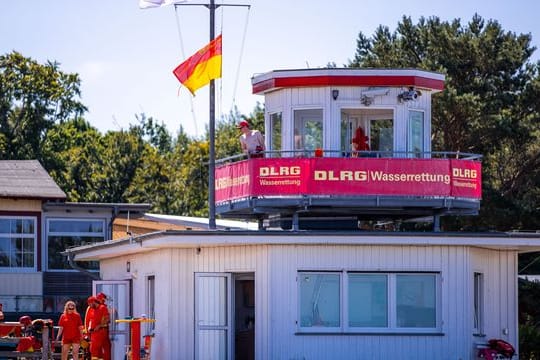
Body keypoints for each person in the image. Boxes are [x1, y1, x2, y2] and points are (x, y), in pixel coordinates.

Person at [96, 292, 111, 360]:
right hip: (102, 330)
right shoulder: (102, 307)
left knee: (98, 349)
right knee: (106, 347)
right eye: (103, 299)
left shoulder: (93, 308)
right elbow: (107, 319)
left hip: (97, 331)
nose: (104, 301)